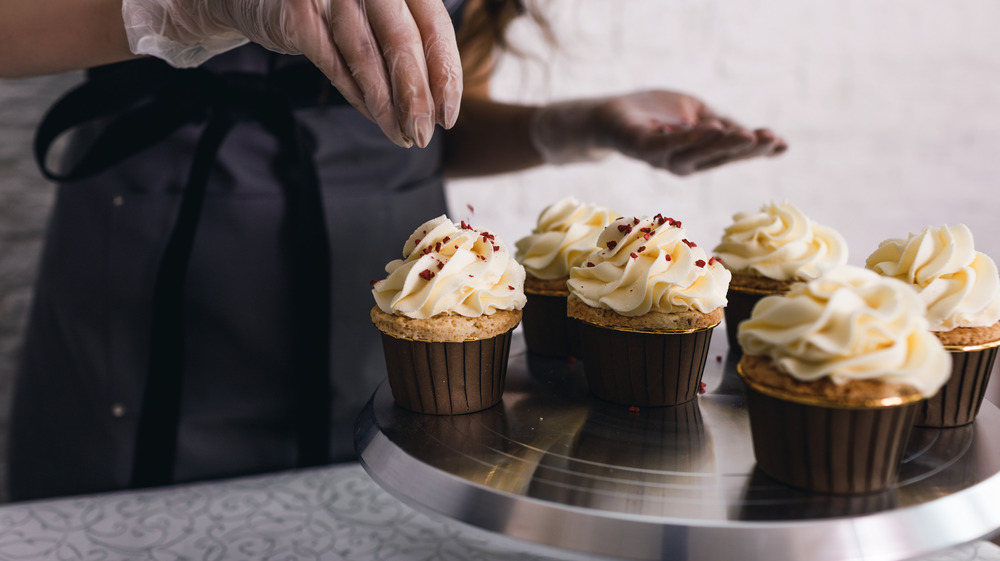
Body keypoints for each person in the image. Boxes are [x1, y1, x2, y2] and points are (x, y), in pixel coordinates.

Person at [1, 0, 787, 501]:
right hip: (153, 282)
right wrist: (187, 7)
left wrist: (574, 125)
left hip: (393, 306)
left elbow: (426, 107)